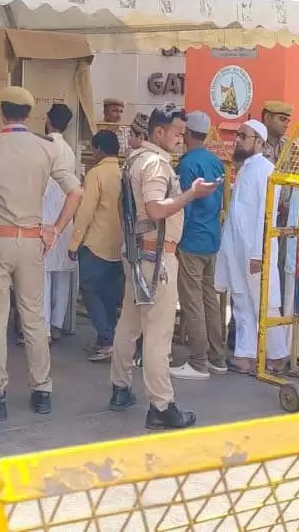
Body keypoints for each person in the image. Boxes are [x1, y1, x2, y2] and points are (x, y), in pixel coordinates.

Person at [0, 86, 82, 419]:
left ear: (1, 111)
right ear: (31, 113)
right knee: (34, 317)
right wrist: (55, 229)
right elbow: (76, 191)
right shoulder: (45, 149)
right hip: (33, 239)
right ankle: (42, 389)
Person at [110, 105, 216, 429]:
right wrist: (191, 194)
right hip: (156, 259)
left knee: (129, 324)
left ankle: (120, 387)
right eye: (176, 133)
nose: (181, 139)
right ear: (159, 132)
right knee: (158, 334)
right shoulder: (156, 164)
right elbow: (156, 209)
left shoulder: (135, 160)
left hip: (139, 255)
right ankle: (161, 405)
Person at [215, 120, 286, 376]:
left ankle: (278, 356)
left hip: (257, 252)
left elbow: (265, 218)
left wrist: (259, 253)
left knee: (265, 304)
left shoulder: (267, 170)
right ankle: (245, 356)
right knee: (241, 302)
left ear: (259, 141)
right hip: (237, 250)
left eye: (244, 136)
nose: (238, 140)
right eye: (238, 135)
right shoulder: (245, 169)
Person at [172, 111, 226, 379]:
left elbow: (184, 206)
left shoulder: (186, 164)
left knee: (191, 301)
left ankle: (198, 361)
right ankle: (217, 358)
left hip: (192, 238)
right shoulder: (217, 163)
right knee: (210, 301)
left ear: (186, 133)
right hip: (212, 238)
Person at [69, 130, 124, 361]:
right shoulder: (123, 173)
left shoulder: (96, 174)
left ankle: (107, 338)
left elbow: (85, 212)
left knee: (90, 290)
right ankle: (107, 339)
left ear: (99, 149)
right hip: (118, 246)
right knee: (111, 295)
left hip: (95, 244)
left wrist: (74, 243)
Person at [40, 103, 79, 342]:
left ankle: (42, 328)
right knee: (61, 277)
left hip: (45, 218)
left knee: (42, 277)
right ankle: (56, 324)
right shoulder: (70, 151)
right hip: (65, 219)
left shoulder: (43, 147)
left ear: (47, 120)